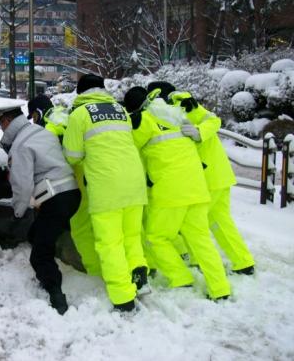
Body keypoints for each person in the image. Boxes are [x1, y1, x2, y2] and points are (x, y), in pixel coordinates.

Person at [123, 86, 231, 301]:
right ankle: (220, 289)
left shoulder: (144, 120)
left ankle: (180, 277)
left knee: (156, 237)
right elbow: (209, 122)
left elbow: (128, 146)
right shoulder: (176, 114)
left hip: (170, 192)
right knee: (201, 239)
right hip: (197, 188)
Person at [62, 74, 148, 313]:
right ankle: (139, 274)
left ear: (80, 93)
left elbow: (72, 156)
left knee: (110, 244)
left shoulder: (79, 115)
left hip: (106, 188)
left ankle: (122, 298)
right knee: (131, 237)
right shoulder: (120, 111)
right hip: (134, 183)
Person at [0, 104, 81, 315]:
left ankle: (57, 299)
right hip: (72, 193)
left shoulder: (20, 146)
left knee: (39, 256)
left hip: (55, 198)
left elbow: (22, 185)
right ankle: (50, 272)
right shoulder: (40, 131)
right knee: (37, 235)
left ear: (7, 121)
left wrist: (17, 211)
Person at [164, 86, 255, 275]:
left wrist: (198, 131)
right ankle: (243, 261)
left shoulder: (180, 103)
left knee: (193, 224)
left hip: (207, 180)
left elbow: (212, 120)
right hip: (218, 176)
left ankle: (201, 261)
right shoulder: (179, 107)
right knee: (220, 221)